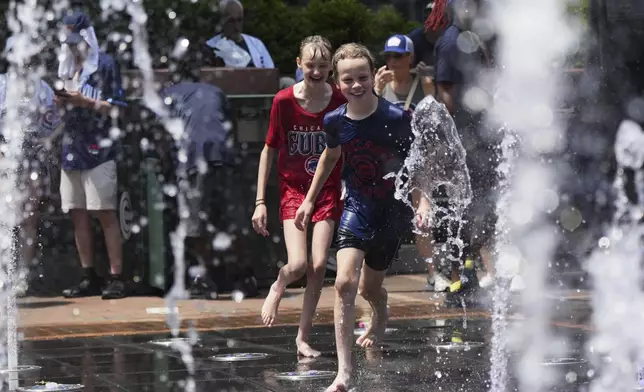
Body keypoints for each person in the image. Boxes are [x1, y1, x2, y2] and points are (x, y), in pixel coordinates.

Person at [294, 43, 432, 392]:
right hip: (356, 209)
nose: (355, 85)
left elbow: (416, 167)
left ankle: (379, 312)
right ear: (337, 82)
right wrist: (310, 200)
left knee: (371, 288)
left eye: (362, 77)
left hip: (390, 214)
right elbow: (329, 157)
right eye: (347, 79)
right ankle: (344, 373)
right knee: (343, 284)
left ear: (374, 77)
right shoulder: (334, 121)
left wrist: (423, 204)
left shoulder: (398, 119)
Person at [252, 36, 345, 358]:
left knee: (319, 265)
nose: (317, 71)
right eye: (310, 65)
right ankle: (278, 285)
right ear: (298, 64)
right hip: (294, 189)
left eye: (323, 66)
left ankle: (302, 337)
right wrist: (260, 201)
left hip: (327, 190)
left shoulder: (339, 100)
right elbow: (269, 150)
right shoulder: (284, 101)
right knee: (299, 264)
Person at [55, 11, 128, 300]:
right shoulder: (67, 67)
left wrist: (86, 102)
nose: (73, 48)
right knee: (78, 214)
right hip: (72, 147)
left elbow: (118, 109)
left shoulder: (106, 65)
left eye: (77, 42)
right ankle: (89, 275)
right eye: (69, 43)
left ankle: (116, 276)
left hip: (100, 148)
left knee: (104, 212)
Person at [374, 34, 450, 292]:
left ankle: (432, 272)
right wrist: (374, 90)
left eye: (399, 56)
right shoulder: (381, 86)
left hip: (418, 160)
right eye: (388, 56)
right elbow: (367, 121)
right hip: (386, 162)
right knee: (378, 217)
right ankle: (371, 273)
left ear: (410, 58)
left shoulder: (423, 84)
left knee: (423, 216)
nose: (393, 61)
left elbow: (437, 118)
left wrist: (430, 84)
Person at [430, 0, 498, 289]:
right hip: (463, 140)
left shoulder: (474, 37)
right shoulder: (451, 41)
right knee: (458, 209)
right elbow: (446, 91)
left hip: (479, 135)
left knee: (477, 207)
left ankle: (470, 270)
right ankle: (456, 279)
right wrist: (456, 138)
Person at [159, 81, 238, 299]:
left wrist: (168, 166)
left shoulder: (167, 92)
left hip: (194, 156)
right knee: (226, 217)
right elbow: (231, 124)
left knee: (195, 222)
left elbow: (163, 134)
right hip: (222, 155)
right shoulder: (215, 89)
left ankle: (202, 279)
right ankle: (243, 276)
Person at [0, 36, 62, 296]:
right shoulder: (1, 83)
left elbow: (57, 121)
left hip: (33, 157)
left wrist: (47, 142)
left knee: (28, 218)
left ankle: (22, 276)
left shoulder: (42, 88)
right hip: (4, 154)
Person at [205, 0, 274, 68]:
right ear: (222, 20)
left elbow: (270, 73)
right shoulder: (210, 48)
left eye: (239, 20)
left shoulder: (257, 45)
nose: (236, 26)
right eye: (231, 21)